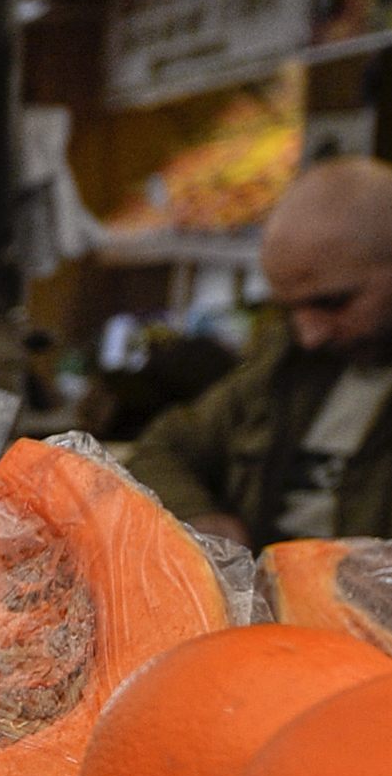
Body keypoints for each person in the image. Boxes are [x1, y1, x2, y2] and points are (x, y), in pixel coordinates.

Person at [128, 157, 392, 545]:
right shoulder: (286, 366)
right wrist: (201, 517)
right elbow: (166, 446)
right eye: (290, 309)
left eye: (333, 302)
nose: (310, 335)